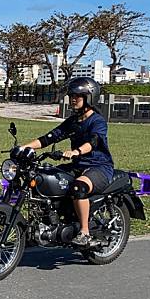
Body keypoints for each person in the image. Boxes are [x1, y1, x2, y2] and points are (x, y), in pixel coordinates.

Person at [20, 77, 114, 247]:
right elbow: (49, 138)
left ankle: (85, 232)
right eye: (71, 95)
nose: (73, 99)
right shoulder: (73, 121)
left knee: (79, 187)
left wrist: (76, 151)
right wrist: (24, 147)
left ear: (89, 97)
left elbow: (94, 142)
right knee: (44, 179)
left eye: (78, 95)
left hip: (99, 167)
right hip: (77, 165)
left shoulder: (97, 121)